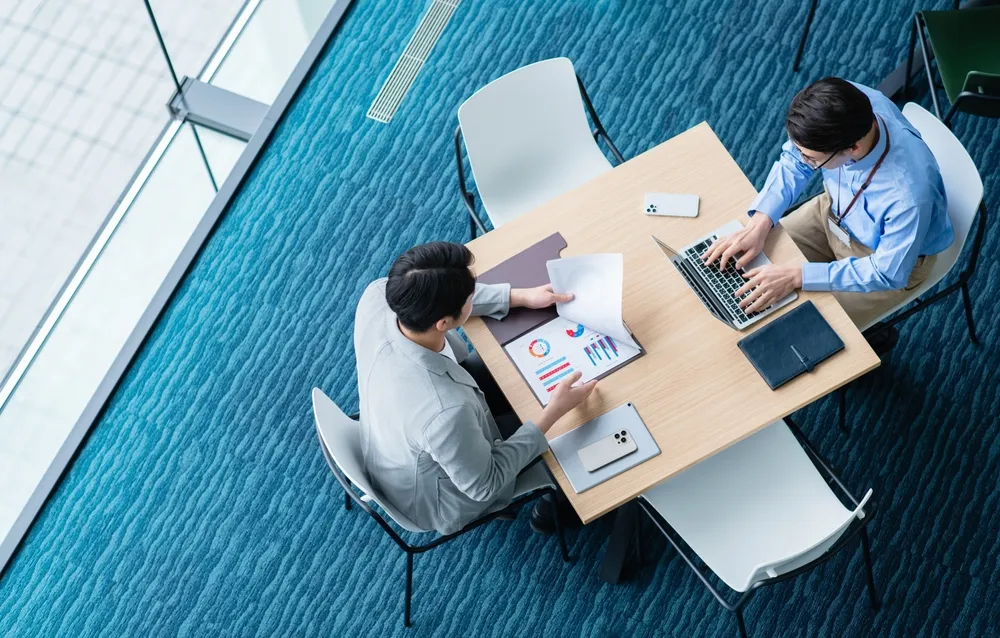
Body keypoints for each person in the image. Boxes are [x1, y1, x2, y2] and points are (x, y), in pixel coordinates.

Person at [354, 241, 597, 536]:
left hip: (394, 437)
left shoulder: (381, 295)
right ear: (443, 322)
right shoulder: (445, 413)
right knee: (582, 429)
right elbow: (486, 484)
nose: (474, 293)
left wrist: (519, 296)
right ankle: (552, 509)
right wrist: (552, 413)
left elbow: (447, 299)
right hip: (442, 496)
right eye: (471, 295)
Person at [703, 77, 953, 343]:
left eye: (812, 159)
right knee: (741, 265)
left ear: (853, 148)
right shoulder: (844, 101)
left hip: (882, 260)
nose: (803, 160)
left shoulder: (907, 197)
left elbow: (887, 272)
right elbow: (794, 160)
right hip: (833, 212)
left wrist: (798, 275)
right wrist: (759, 224)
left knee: (791, 334)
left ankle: (873, 337)